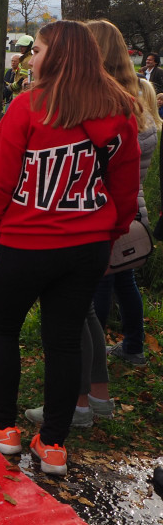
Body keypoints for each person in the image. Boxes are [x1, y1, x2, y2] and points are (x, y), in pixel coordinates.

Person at [0, 20, 139, 476]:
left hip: (27, 241)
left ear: (59, 57)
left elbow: (0, 178)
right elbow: (125, 187)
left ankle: (2, 426)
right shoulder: (119, 111)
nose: (32, 58)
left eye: (39, 50)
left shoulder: (27, 107)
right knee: (63, 340)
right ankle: (54, 445)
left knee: (1, 326)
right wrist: (112, 232)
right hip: (88, 245)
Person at [88, 21, 159, 366]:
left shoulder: (110, 105)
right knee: (123, 280)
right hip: (134, 208)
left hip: (111, 209)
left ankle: (92, 360)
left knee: (102, 283)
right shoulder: (138, 99)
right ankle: (133, 347)